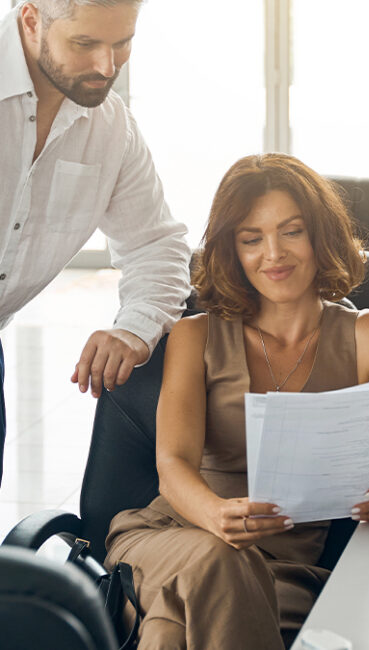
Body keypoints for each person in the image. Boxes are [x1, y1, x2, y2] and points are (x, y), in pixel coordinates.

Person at [104, 153, 369, 649]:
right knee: (218, 562)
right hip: (175, 535)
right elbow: (172, 465)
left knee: (171, 627)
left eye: (291, 231)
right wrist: (216, 517)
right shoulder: (197, 335)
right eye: (251, 239)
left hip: (287, 568)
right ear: (233, 251)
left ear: (321, 235)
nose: (272, 254)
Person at [0, 0, 191, 486]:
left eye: (122, 43)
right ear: (30, 20)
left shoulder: (111, 127)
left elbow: (155, 245)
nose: (107, 67)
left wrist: (136, 327)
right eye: (85, 44)